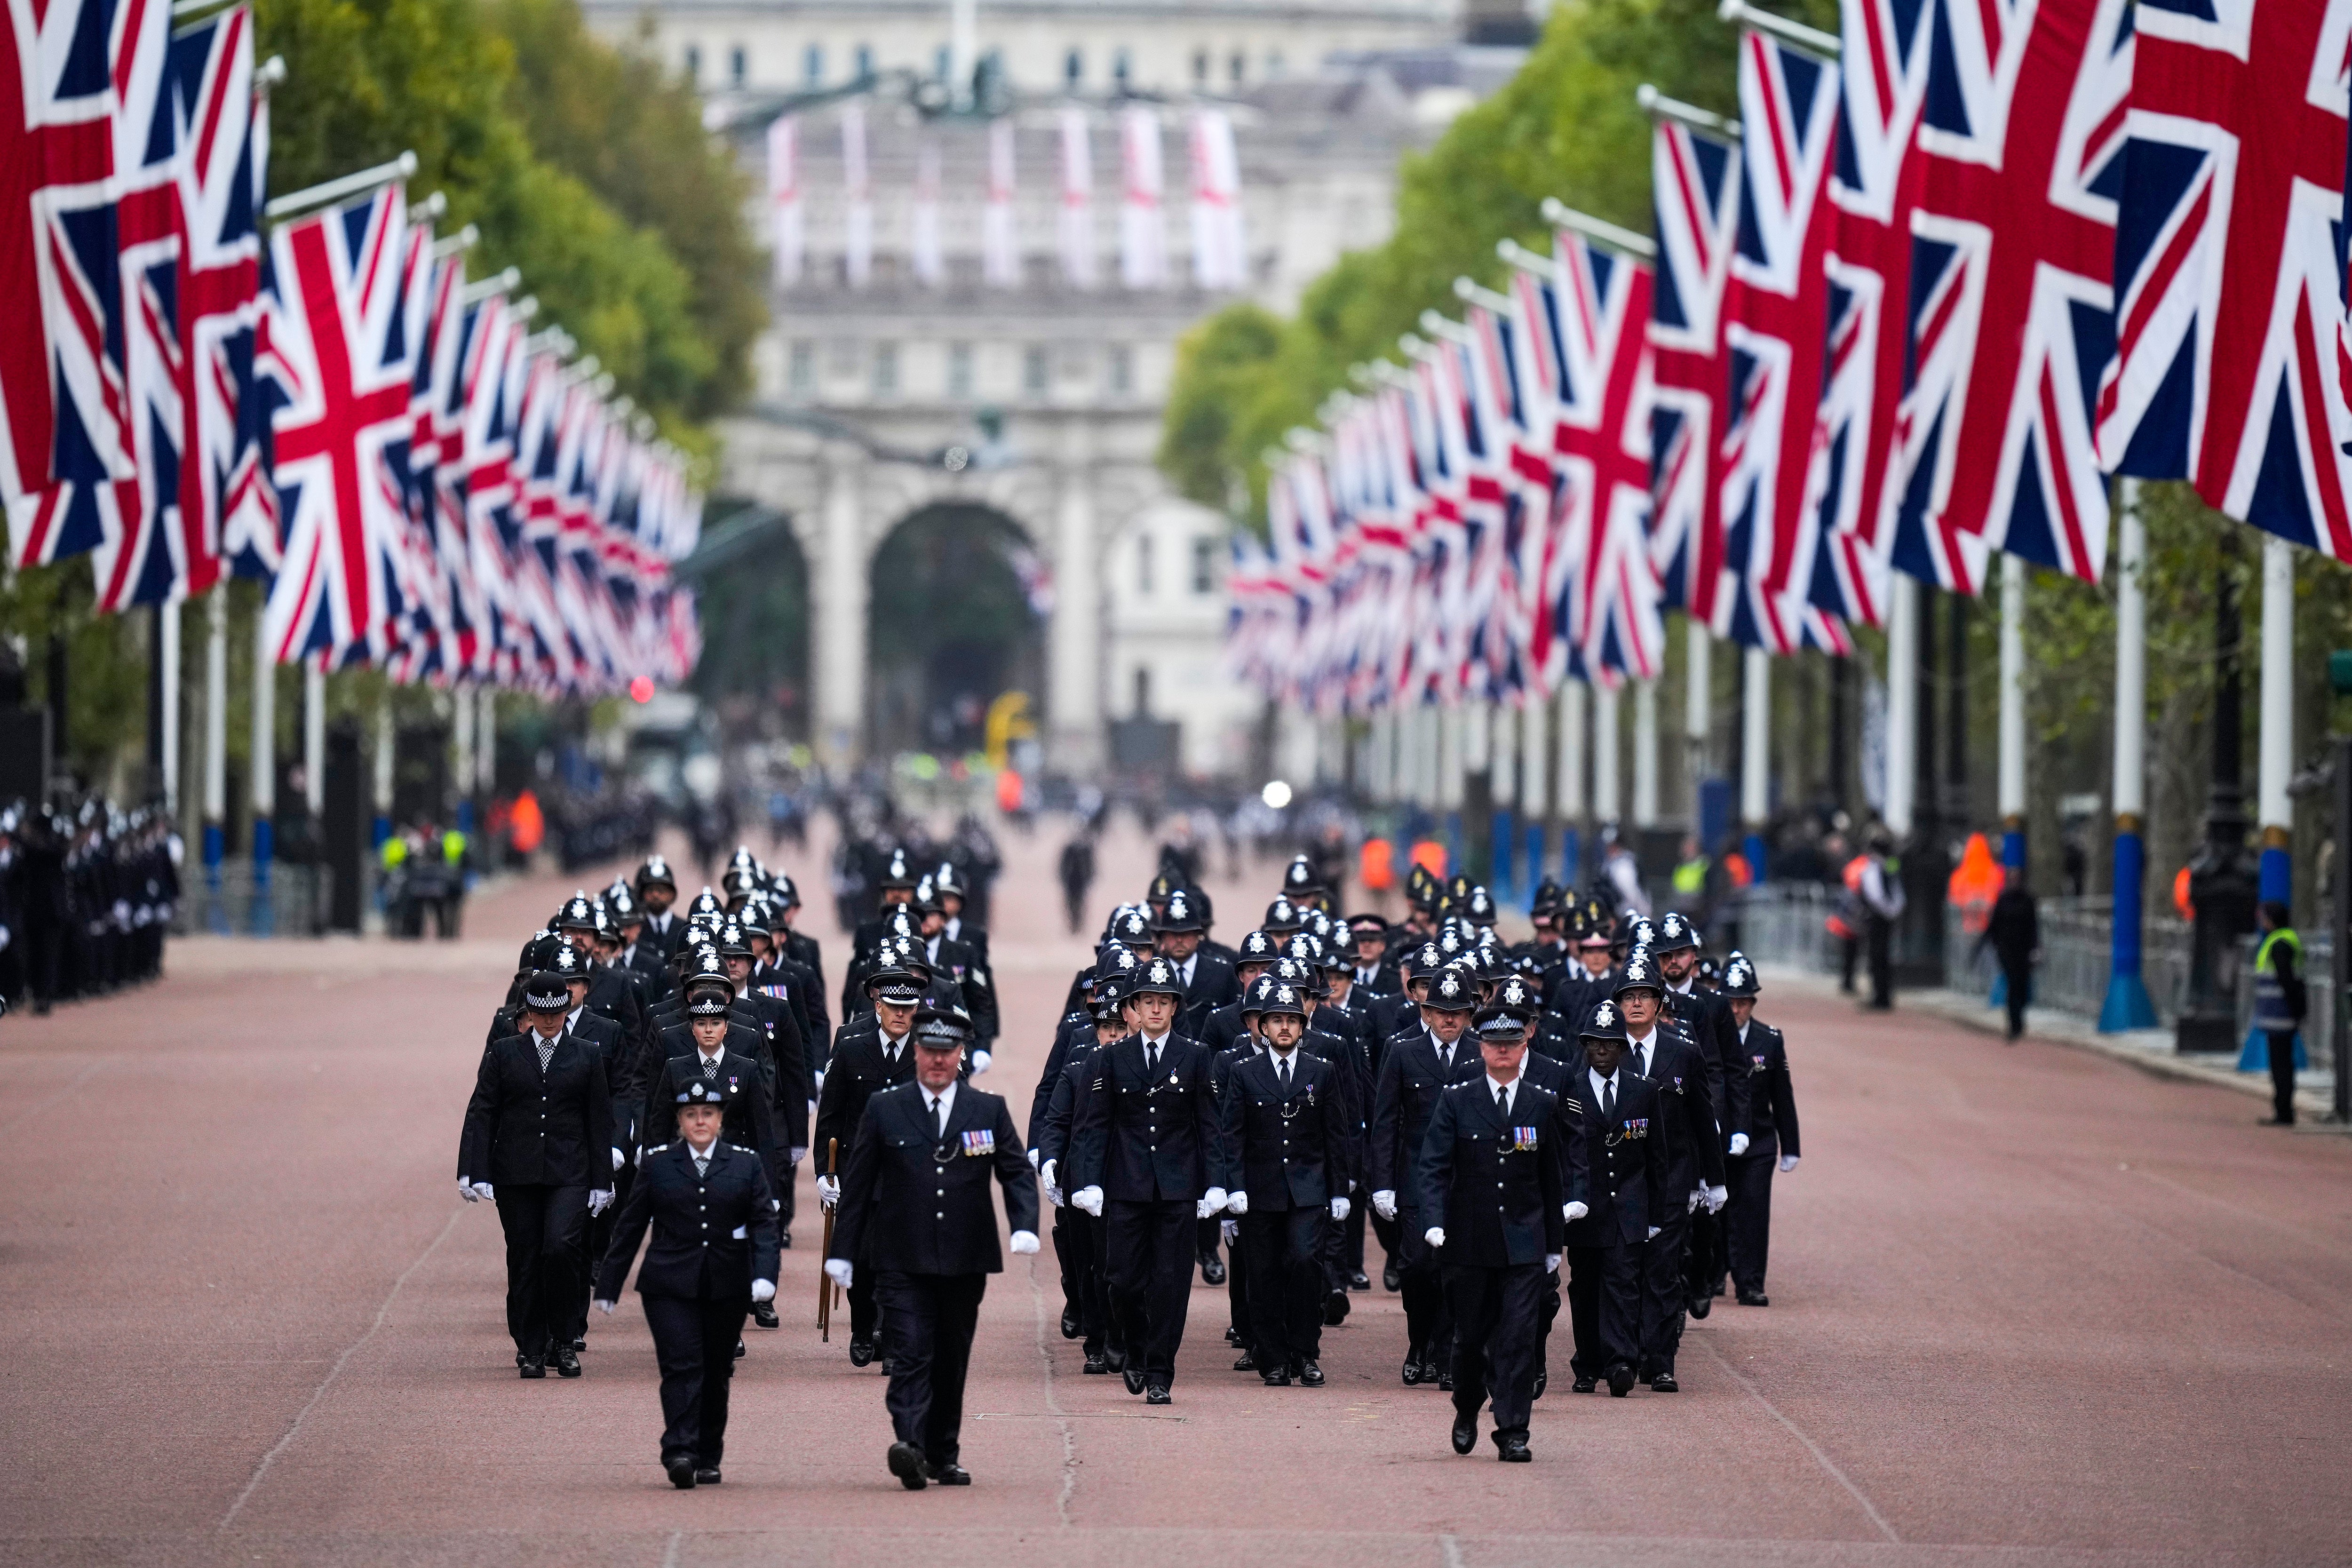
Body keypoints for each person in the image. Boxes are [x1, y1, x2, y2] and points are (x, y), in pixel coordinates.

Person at [825, 1004, 1039, 1489]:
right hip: (901, 1256)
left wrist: (1023, 1222)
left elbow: (1015, 1172)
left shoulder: (986, 1109)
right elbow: (857, 1186)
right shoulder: (885, 1108)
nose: (938, 1062)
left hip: (965, 1259)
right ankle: (910, 1444)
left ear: (960, 1055)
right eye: (930, 1052)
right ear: (917, 1053)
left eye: (947, 1053)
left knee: (949, 1359)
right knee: (909, 1352)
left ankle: (943, 1454)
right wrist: (842, 1251)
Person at [593, 1080, 779, 1488]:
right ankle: (679, 1449)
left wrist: (765, 1275)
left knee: (715, 1370)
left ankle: (708, 1452)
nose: (700, 1121)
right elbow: (630, 1226)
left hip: (727, 1283)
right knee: (681, 1365)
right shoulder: (659, 1164)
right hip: (668, 1283)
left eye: (708, 1114)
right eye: (691, 1114)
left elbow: (765, 1223)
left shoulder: (745, 1164)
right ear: (679, 1120)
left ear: (720, 1120)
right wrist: (609, 1284)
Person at [1414, 1002, 1567, 1461]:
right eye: (1495, 1045)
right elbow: (1433, 1168)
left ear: (1524, 1047)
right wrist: (1434, 1223)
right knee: (1468, 1344)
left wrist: (1553, 1246)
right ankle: (1466, 1406)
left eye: (1511, 1044)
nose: (1503, 1052)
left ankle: (1513, 1430)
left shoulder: (1542, 1104)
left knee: (1518, 1337)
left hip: (1524, 1244)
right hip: (1468, 1241)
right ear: (1481, 1048)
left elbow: (1551, 1180)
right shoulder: (1457, 1100)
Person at [1066, 955, 1222, 1405]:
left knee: (1171, 1282)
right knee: (1122, 1280)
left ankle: (1160, 1371)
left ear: (1175, 1007)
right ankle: (1135, 1346)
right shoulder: (1111, 1057)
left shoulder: (1195, 1056)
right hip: (1125, 1185)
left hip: (1177, 1187)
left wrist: (1215, 1183)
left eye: (1164, 1002)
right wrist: (1089, 1181)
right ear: (1132, 1007)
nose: (1155, 1009)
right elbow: (1093, 1125)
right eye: (1147, 1001)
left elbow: (1209, 1124)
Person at [458, 963, 615, 1378]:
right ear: (528, 1012)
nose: (549, 1021)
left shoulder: (587, 1054)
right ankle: (530, 1346)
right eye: (541, 1013)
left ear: (567, 1011)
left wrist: (603, 1180)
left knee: (562, 1249)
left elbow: (600, 1121)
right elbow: (483, 1111)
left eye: (556, 1013)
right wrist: (472, 1169)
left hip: (570, 1171)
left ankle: (565, 1340)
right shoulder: (506, 1053)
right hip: (517, 1172)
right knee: (525, 1258)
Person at [1215, 973, 1352, 1387]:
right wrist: (1232, 1188)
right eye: (1276, 1020)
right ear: (1263, 1027)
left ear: (1303, 1025)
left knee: (1306, 1262)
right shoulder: (1244, 1072)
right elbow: (1232, 1135)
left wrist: (1340, 1189)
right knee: (1264, 1273)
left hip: (1309, 1189)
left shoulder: (1322, 1071)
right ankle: (1273, 1357)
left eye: (1292, 1019)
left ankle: (1306, 1352)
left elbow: (1336, 1134)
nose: (1285, 1027)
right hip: (1259, 1191)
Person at [1367, 964, 1484, 1386]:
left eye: (1458, 1011)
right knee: (1417, 1266)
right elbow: (1385, 1122)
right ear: (1426, 1010)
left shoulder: (1482, 1051)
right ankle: (1420, 1341)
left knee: (1457, 1268)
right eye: (1440, 1010)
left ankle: (1445, 1351)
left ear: (1470, 1014)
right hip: (1417, 1178)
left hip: (1469, 1179)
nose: (1449, 1019)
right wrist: (1382, 1183)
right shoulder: (1402, 1050)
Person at [1562, 1000, 1669, 1396]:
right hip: (1586, 1209)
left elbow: (1657, 1157)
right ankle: (1587, 1363)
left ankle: (1621, 1360)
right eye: (1595, 1044)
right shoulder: (1568, 1089)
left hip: (1628, 1207)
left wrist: (1656, 1213)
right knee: (1586, 1286)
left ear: (1623, 1047)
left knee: (1624, 1283)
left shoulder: (1644, 1091)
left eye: (1610, 1044)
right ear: (1585, 1046)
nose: (1602, 1051)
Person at [1719, 958, 1800, 1305]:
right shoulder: (1704, 1038)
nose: (1736, 1009)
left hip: (1759, 1140)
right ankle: (1713, 1275)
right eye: (1731, 1001)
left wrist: (1791, 1145)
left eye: (1743, 1002)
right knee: (1717, 1211)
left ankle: (1751, 1282)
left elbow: (1783, 1095)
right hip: (1718, 1140)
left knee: (1753, 1210)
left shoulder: (1769, 1039)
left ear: (1753, 1003)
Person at [2252, 901, 2306, 1126]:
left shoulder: (2279, 944)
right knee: (2283, 1063)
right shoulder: (2286, 940)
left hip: (2280, 1015)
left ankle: (2284, 1112)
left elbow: (2286, 980)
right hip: (2282, 1015)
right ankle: (2284, 1110)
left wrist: (2296, 1010)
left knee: (2280, 1065)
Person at [1980, 866, 2042, 1041]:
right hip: (2006, 950)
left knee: (2021, 986)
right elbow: (1994, 925)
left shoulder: (2028, 900)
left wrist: (2036, 947)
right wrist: (1991, 943)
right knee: (2013, 984)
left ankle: (2019, 1018)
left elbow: (2034, 926)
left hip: (2024, 950)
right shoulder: (2003, 900)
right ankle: (2014, 1025)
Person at [1859, 828, 1905, 1010]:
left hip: (1878, 918)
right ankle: (1882, 995)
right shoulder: (1889, 866)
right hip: (1885, 916)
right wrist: (1894, 910)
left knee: (1878, 958)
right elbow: (1898, 893)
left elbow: (1875, 895)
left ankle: (1881, 997)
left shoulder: (1875, 867)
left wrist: (1888, 911)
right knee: (1882, 958)